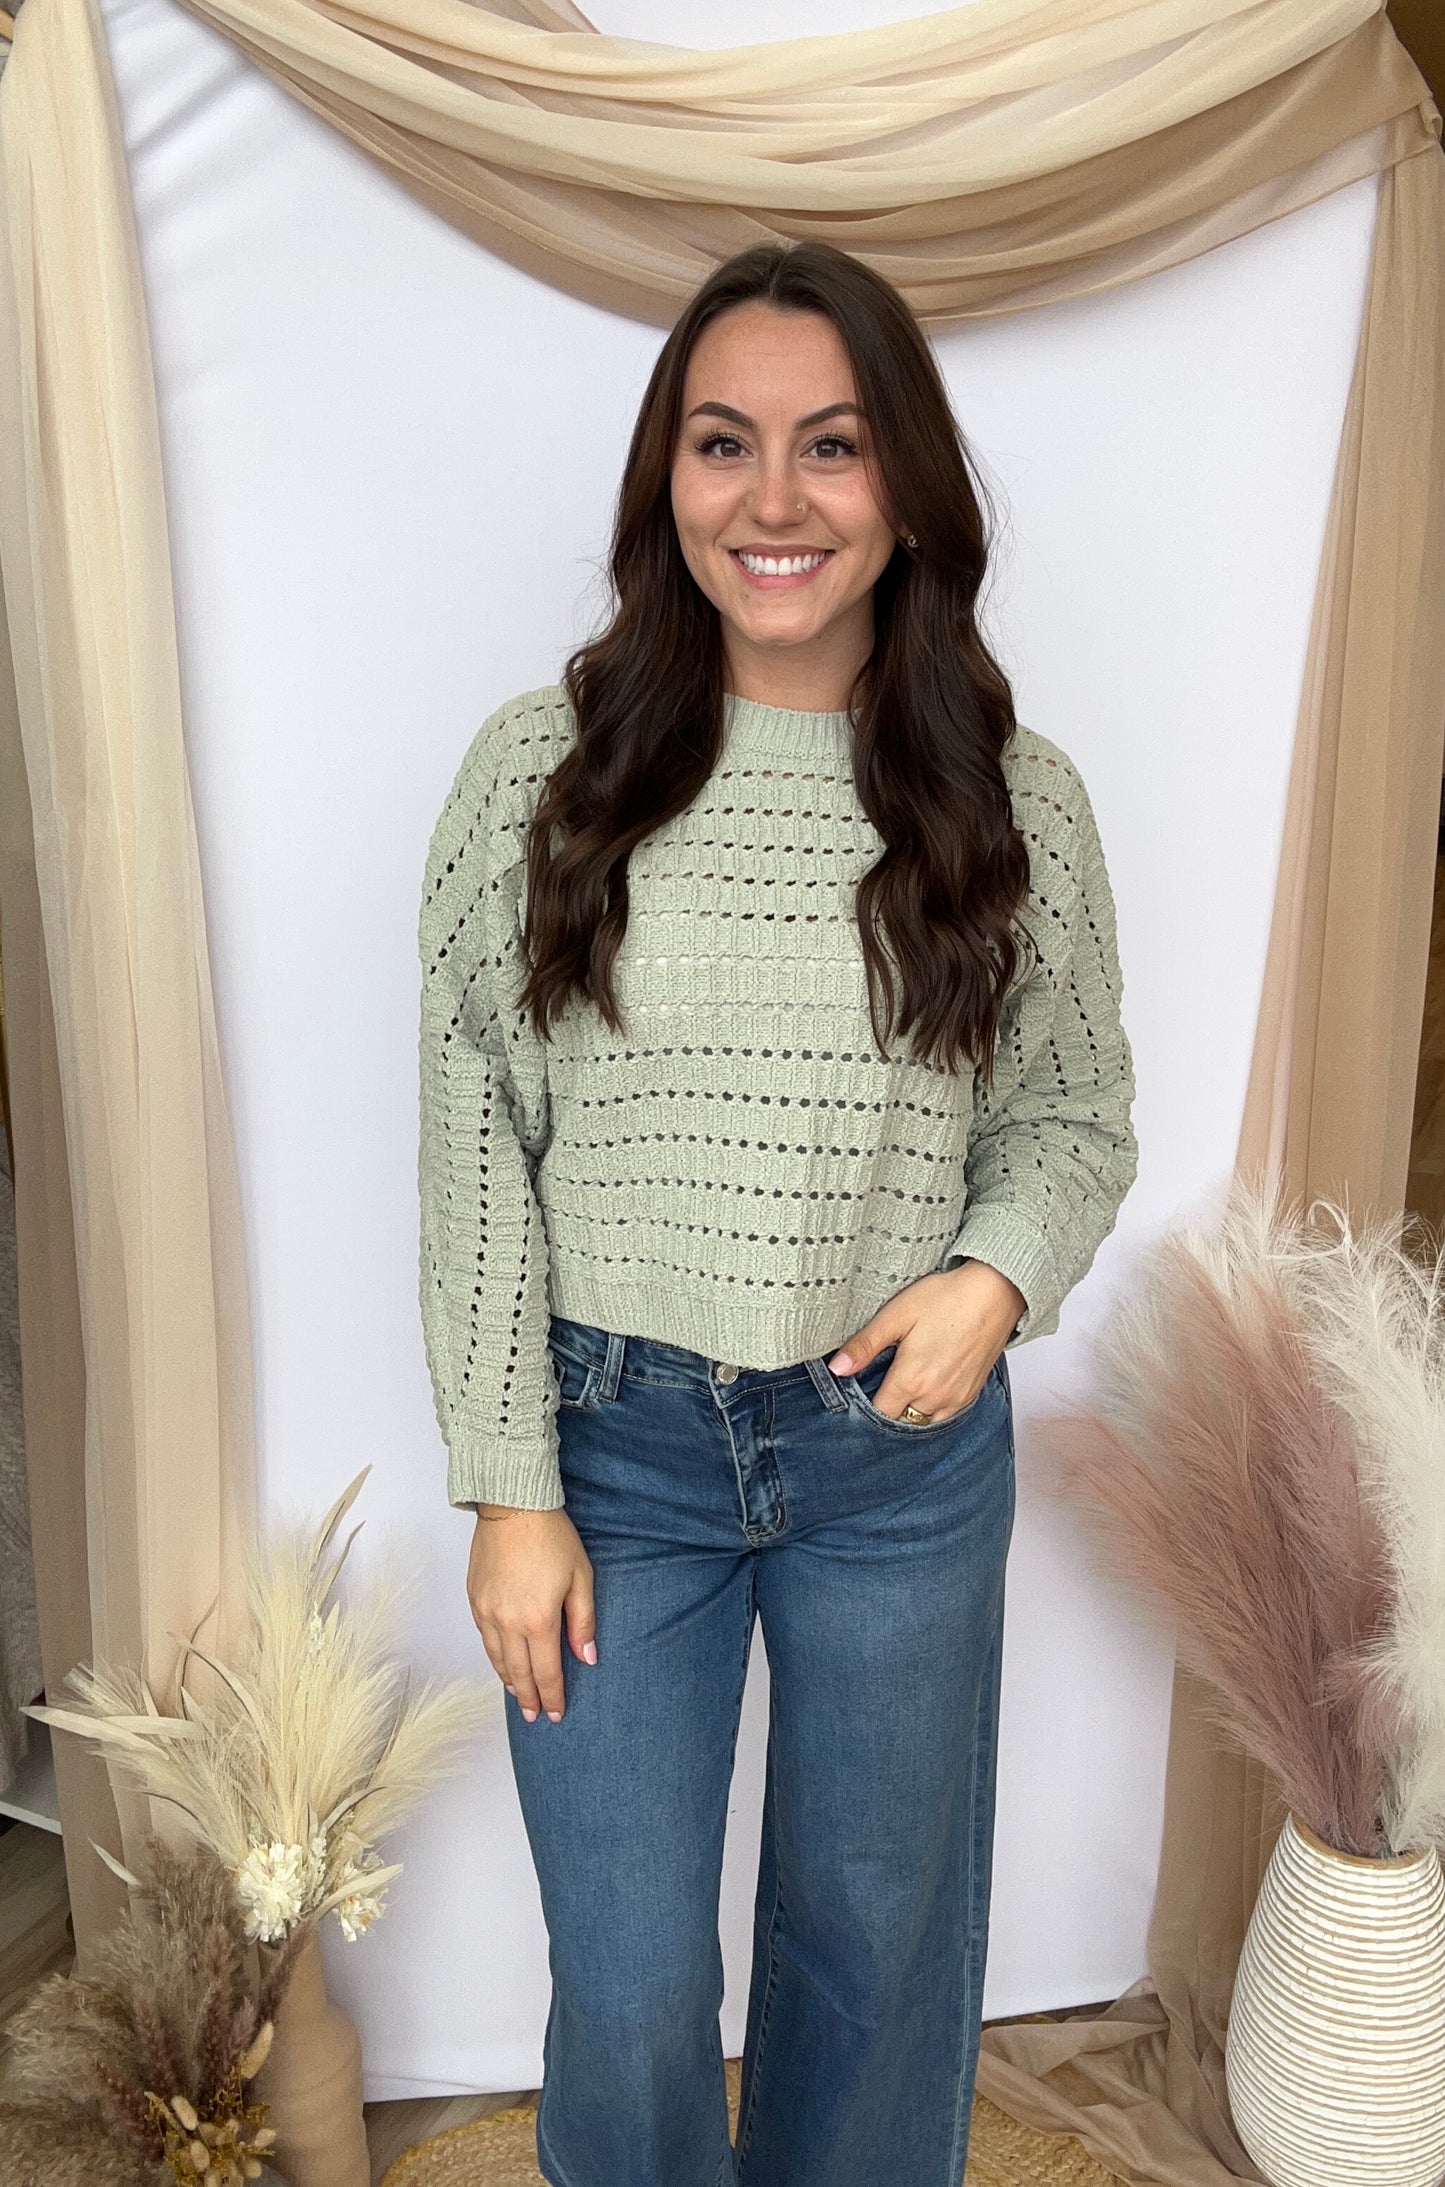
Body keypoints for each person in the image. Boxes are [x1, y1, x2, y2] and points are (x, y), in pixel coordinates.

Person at [417, 239, 1139, 2187]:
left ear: (904, 485)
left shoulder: (1009, 797)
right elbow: (478, 1129)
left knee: (870, 1943)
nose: (775, 499)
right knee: (636, 1971)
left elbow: (1073, 1117)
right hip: (611, 1449)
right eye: (724, 443)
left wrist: (997, 1275)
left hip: (892, 1455)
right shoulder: (540, 780)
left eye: (832, 447)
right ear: (668, 476)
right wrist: (510, 1480)